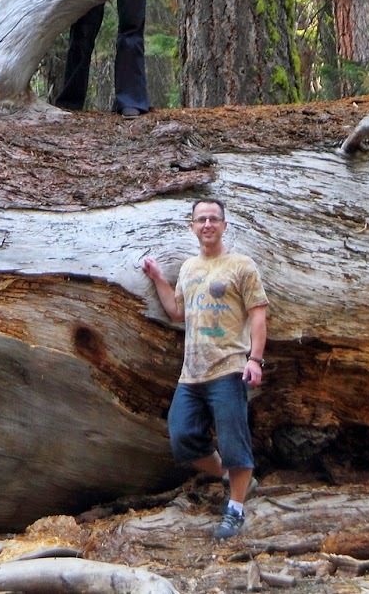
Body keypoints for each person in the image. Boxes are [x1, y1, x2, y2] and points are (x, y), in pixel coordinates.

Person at [142, 198, 269, 540]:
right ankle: (232, 477)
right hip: (192, 374)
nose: (208, 224)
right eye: (202, 219)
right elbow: (176, 312)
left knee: (234, 441)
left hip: (229, 368)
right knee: (182, 437)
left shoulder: (241, 266)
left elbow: (258, 313)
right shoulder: (188, 268)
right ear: (193, 227)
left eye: (214, 218)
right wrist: (157, 278)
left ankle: (236, 509)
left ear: (224, 226)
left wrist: (255, 360)